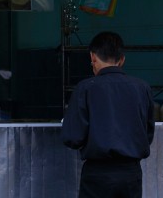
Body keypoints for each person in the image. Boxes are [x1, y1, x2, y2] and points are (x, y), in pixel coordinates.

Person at [61, 31, 155, 198]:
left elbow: (73, 137)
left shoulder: (85, 88)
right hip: (131, 174)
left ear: (93, 57)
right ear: (122, 60)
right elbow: (147, 133)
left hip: (97, 174)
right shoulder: (142, 88)